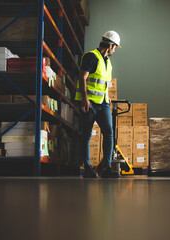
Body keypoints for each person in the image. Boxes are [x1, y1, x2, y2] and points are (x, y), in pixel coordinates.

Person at [75, 30, 122, 178]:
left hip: (103, 104)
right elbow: (82, 77)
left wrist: (107, 99)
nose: (115, 50)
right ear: (111, 45)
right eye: (115, 47)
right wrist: (84, 99)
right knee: (86, 135)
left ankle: (106, 168)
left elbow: (103, 85)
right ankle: (88, 168)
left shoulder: (108, 62)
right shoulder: (91, 56)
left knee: (108, 132)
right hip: (89, 103)